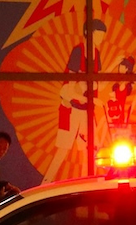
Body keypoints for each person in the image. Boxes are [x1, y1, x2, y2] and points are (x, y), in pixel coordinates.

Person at [42, 19, 106, 183]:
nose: (99, 40)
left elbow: (97, 82)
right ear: (88, 34)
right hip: (71, 109)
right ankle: (45, 184)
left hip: (86, 110)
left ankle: (87, 184)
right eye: (98, 35)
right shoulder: (78, 51)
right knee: (63, 150)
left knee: (89, 151)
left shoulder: (96, 53)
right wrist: (86, 95)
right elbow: (69, 88)